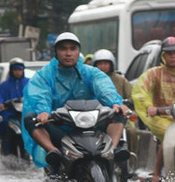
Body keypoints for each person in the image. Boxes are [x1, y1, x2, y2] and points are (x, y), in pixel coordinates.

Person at [22, 32, 130, 171]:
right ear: (56, 52)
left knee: (120, 113)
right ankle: (53, 150)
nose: (68, 53)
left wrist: (114, 103)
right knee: (30, 118)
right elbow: (40, 94)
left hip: (92, 124)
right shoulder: (44, 75)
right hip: (60, 127)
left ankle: (112, 150)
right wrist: (43, 111)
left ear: (78, 52)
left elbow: (104, 87)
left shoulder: (91, 72)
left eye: (73, 49)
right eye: (63, 49)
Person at [132, 36, 175, 182]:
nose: (172, 56)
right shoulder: (153, 74)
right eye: (169, 53)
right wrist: (149, 107)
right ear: (163, 56)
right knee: (168, 135)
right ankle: (157, 172)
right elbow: (140, 92)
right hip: (162, 118)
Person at [0, 57, 31, 154]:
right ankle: (6, 150)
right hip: (10, 115)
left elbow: (37, 95)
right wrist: (0, 104)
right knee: (4, 127)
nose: (18, 72)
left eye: (20, 70)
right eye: (15, 70)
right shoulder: (4, 85)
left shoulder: (30, 83)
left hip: (26, 114)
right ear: (11, 71)